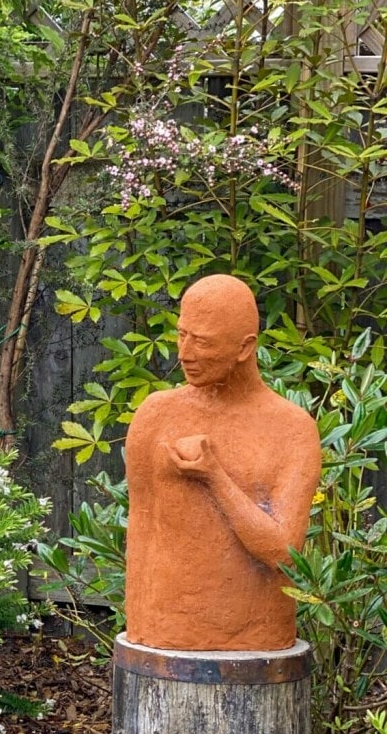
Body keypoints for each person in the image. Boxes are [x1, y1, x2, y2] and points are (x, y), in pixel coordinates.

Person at [124, 274, 321, 651]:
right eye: (182, 334)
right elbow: (142, 530)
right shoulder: (156, 415)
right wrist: (143, 629)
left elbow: (284, 553)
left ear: (245, 348)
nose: (184, 353)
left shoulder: (291, 429)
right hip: (161, 631)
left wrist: (215, 477)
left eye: (202, 342)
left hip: (255, 636)